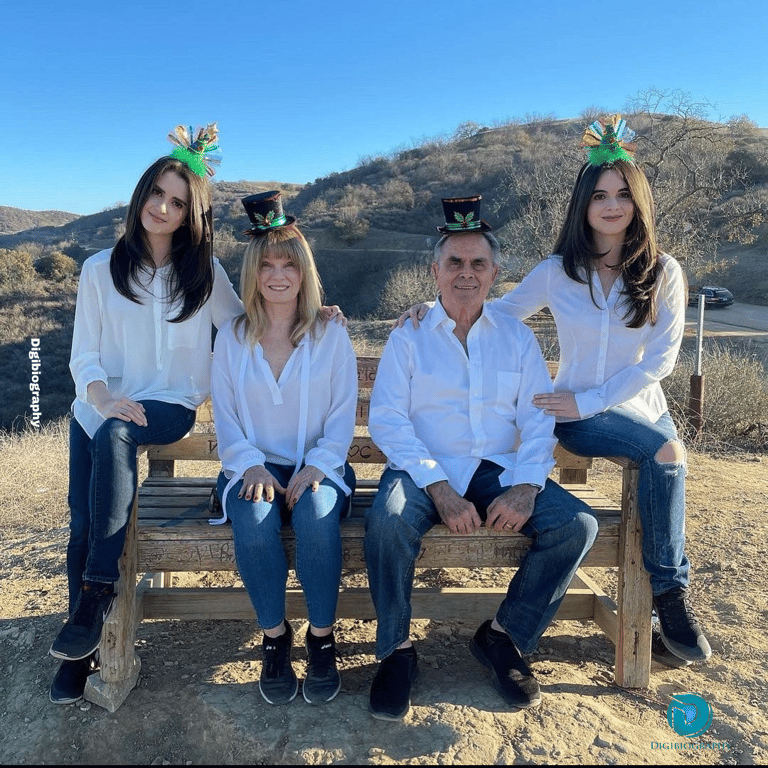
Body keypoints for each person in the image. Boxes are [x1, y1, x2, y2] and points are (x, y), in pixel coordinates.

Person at [398, 116, 712, 668]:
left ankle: (668, 595)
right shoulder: (557, 271)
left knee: (666, 449)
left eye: (622, 195)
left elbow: (661, 360)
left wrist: (593, 399)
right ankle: (668, 591)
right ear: (582, 205)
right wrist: (435, 306)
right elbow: (494, 308)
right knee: (664, 453)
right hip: (574, 413)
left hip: (638, 409)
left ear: (638, 203)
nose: (611, 206)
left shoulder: (664, 272)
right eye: (599, 196)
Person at [364, 196, 598, 720]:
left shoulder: (516, 337)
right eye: (454, 262)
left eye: (477, 264)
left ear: (495, 272)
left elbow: (538, 417)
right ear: (435, 270)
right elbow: (388, 421)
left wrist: (528, 485)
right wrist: (438, 487)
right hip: (421, 467)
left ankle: (503, 636)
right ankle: (396, 651)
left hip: (496, 469)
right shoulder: (409, 336)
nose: (466, 274)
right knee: (388, 522)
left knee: (575, 525)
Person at [49, 124, 245, 704]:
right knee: (82, 523)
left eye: (178, 201)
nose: (162, 207)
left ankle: (98, 591)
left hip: (170, 405)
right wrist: (102, 393)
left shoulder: (206, 276)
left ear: (192, 215)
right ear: (140, 196)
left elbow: (248, 325)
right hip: (99, 407)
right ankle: (82, 648)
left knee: (118, 432)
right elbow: (84, 352)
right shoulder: (97, 269)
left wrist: (316, 307)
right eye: (156, 193)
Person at [210, 191, 357, 706]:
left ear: (304, 271)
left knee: (317, 515)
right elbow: (224, 415)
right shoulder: (231, 337)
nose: (278, 275)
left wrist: (317, 464)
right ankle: (275, 637)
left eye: (288, 264)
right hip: (248, 465)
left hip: (321, 463)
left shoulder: (330, 334)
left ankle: (321, 637)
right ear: (253, 272)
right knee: (253, 520)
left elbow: (342, 416)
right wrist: (249, 465)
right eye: (267, 264)